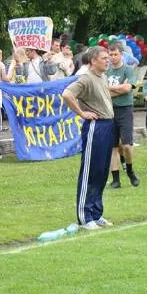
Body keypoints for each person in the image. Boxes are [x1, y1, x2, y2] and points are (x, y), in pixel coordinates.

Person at [62, 46, 115, 230]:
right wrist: (82, 113)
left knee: (102, 171)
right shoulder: (86, 78)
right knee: (90, 171)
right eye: (103, 58)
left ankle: (96, 213)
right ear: (93, 60)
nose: (107, 60)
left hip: (108, 126)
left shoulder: (103, 77)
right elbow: (67, 94)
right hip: (96, 127)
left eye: (108, 57)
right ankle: (85, 217)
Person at [106, 43, 140, 188]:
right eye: (111, 55)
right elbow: (102, 91)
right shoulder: (105, 72)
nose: (113, 57)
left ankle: (131, 171)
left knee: (126, 145)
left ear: (121, 55)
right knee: (112, 147)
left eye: (116, 54)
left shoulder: (128, 70)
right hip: (109, 110)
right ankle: (115, 179)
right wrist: (119, 89)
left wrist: (110, 89)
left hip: (125, 110)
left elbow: (128, 88)